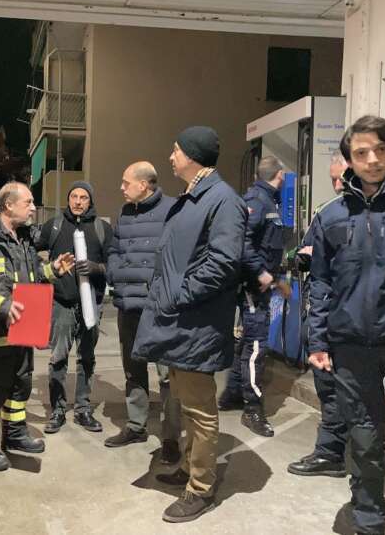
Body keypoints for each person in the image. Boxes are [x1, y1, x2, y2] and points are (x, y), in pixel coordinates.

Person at [308, 115, 385, 535]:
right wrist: (318, 338)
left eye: (381, 149)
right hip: (351, 345)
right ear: (349, 159)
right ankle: (367, 520)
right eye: (361, 153)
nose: (372, 160)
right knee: (363, 438)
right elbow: (321, 280)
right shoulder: (331, 215)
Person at [133, 126, 246, 523]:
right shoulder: (195, 197)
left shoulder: (222, 201)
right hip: (183, 322)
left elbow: (224, 261)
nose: (170, 157)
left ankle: (200, 488)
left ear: (194, 155)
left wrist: (180, 293)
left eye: (176, 150)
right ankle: (189, 467)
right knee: (185, 401)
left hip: (197, 322)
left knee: (200, 409)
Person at [0, 182, 74, 471]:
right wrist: (2, 305)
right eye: (29, 202)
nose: (34, 208)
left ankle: (15, 434)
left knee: (21, 382)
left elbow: (30, 276)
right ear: (9, 205)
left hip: (22, 329)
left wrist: (53, 270)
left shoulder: (21, 239)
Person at [103, 161, 182, 463]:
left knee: (167, 376)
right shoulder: (125, 213)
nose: (121, 188)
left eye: (126, 182)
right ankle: (136, 425)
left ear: (144, 185)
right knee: (133, 370)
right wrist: (114, 273)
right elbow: (114, 250)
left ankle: (171, 438)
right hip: (128, 305)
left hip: (159, 308)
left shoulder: (173, 210)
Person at [287, 151, 349, 478]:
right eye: (333, 179)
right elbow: (302, 256)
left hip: (355, 323)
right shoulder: (327, 213)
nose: (338, 185)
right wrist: (303, 257)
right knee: (328, 387)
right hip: (327, 316)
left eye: (343, 177)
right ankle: (331, 452)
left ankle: (337, 453)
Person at [36, 181, 113, 434]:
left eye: (83, 197)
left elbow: (114, 264)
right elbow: (27, 249)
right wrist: (45, 271)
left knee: (87, 359)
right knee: (58, 358)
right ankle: (58, 409)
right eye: (73, 196)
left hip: (92, 303)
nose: (78, 201)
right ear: (68, 200)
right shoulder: (55, 226)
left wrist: (97, 268)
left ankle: (82, 409)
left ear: (90, 201)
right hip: (62, 304)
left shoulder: (102, 229)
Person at [218, 155, 286, 438]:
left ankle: (233, 394)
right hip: (252, 286)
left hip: (260, 285)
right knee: (257, 346)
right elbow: (243, 243)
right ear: (279, 176)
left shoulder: (266, 200)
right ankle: (253, 408)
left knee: (247, 340)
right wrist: (262, 274)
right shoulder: (258, 201)